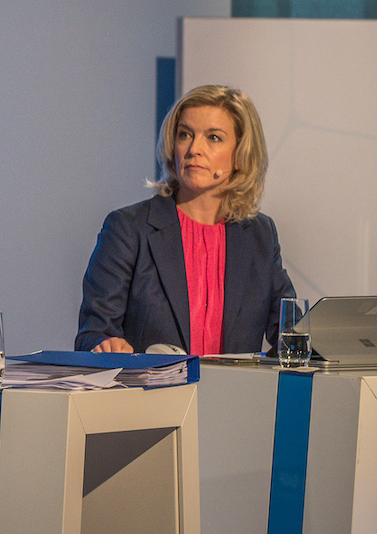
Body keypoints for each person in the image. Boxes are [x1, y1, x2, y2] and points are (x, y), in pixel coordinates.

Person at [76, 84, 296, 355]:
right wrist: (106, 345)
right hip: (152, 394)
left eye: (213, 138)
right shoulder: (128, 229)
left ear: (240, 154)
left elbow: (292, 333)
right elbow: (92, 334)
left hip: (237, 396)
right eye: (185, 135)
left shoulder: (260, 234)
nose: (194, 149)